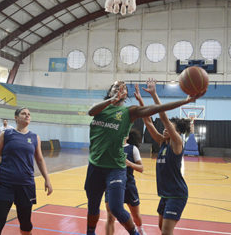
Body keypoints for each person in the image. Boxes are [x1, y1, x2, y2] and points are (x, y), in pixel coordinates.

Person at [85, 80, 199, 235]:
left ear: (125, 95)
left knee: (118, 209)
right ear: (110, 90)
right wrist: (140, 98)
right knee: (93, 206)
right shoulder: (161, 141)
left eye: (123, 88)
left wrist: (184, 101)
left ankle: (136, 232)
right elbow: (148, 122)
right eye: (116, 86)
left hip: (121, 170)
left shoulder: (130, 113)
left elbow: (159, 113)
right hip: (97, 166)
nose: (119, 89)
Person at [134, 79, 193, 235]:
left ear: (177, 132)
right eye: (166, 129)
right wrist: (141, 102)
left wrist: (154, 94)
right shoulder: (162, 142)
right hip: (165, 194)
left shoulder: (177, 142)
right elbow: (147, 121)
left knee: (166, 231)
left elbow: (164, 117)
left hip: (177, 194)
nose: (166, 130)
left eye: (169, 129)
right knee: (162, 227)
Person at [0, 108, 53, 235]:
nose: (27, 115)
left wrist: (47, 180)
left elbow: (39, 159)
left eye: (29, 114)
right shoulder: (6, 135)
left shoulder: (35, 137)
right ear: (16, 118)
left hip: (26, 185)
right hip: (4, 184)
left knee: (26, 224)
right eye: (23, 113)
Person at [105, 129, 147, 235]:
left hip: (128, 186)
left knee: (136, 216)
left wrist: (130, 164)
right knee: (110, 217)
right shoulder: (110, 148)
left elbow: (141, 168)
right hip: (112, 184)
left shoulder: (133, 149)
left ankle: (140, 230)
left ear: (128, 137)